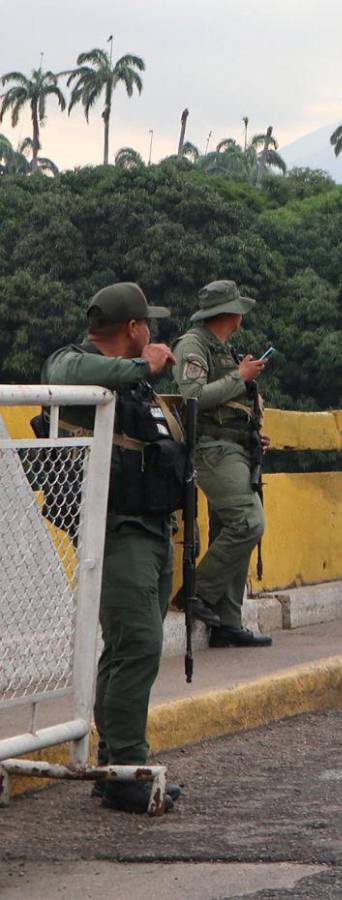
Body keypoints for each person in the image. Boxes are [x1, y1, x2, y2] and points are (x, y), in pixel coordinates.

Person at [43, 283, 184, 814]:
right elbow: (60, 377)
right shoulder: (73, 362)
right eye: (148, 324)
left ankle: (118, 764)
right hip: (115, 531)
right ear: (133, 328)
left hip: (151, 528)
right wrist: (143, 367)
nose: (153, 333)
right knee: (138, 644)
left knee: (133, 647)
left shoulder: (134, 388)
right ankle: (125, 768)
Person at [172, 280, 272, 648]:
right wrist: (239, 378)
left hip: (236, 447)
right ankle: (196, 592)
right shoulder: (194, 345)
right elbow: (194, 397)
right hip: (213, 449)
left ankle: (227, 620)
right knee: (248, 522)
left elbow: (228, 405)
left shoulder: (224, 349)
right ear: (231, 313)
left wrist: (250, 429)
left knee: (227, 531)